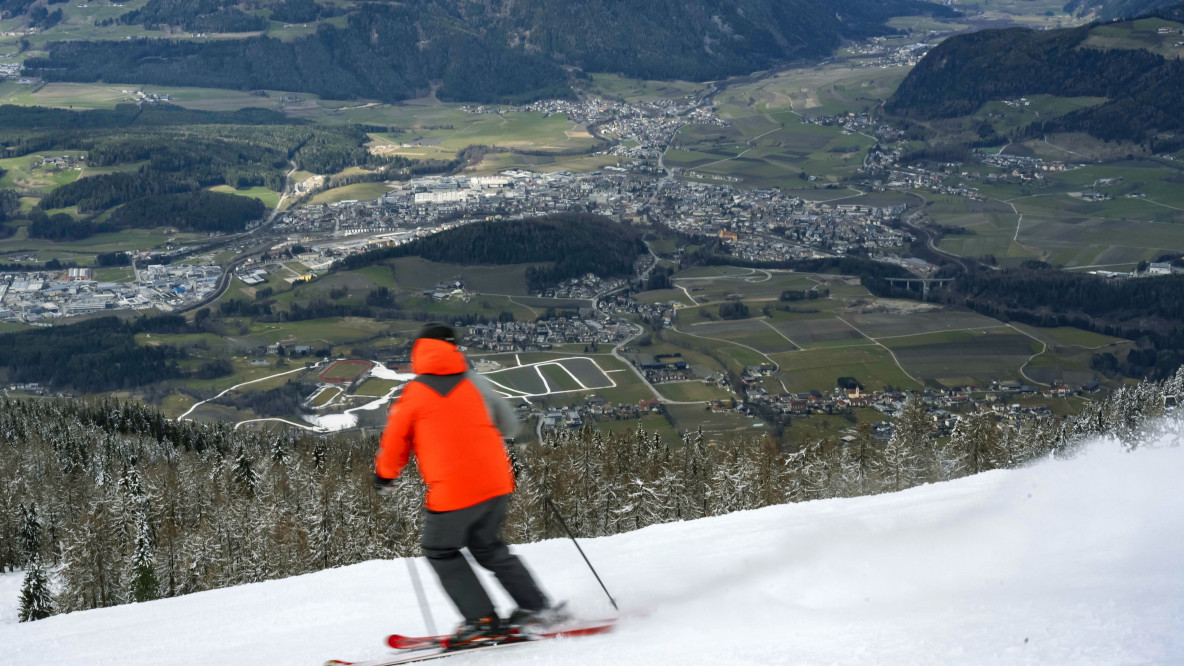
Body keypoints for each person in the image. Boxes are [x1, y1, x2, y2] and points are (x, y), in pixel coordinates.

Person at [374, 322, 565, 646]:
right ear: (453, 348)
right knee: (488, 546)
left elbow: (395, 444)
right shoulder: (475, 382)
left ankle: (482, 620)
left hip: (454, 492)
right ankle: (537, 608)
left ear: (420, 352)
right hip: (497, 481)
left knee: (440, 549)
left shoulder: (414, 393)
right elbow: (507, 424)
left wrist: (385, 476)